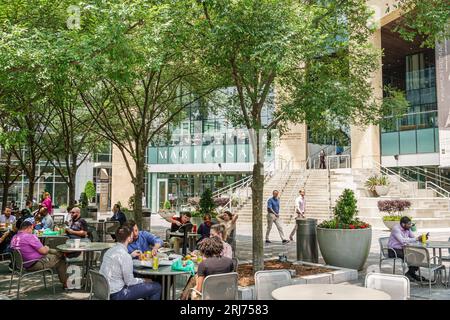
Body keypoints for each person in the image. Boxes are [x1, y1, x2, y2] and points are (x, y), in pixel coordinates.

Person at [100, 225, 161, 300]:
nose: (133, 236)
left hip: (103, 291)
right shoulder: (125, 255)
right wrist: (145, 280)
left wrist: (130, 255)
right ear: (129, 238)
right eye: (131, 235)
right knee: (156, 287)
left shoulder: (110, 251)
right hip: (117, 294)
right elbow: (129, 282)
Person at [10, 220, 69, 287]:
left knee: (54, 253)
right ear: (29, 227)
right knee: (60, 259)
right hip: (35, 264)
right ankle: (66, 283)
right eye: (32, 229)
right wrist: (46, 247)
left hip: (22, 264)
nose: (32, 231)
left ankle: (60, 253)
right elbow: (44, 251)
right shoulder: (29, 236)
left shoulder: (14, 237)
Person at [387, 216, 428, 282]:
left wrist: (420, 239)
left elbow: (413, 238)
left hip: (403, 249)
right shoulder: (396, 229)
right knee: (413, 256)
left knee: (420, 255)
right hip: (393, 251)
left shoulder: (407, 229)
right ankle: (411, 274)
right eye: (409, 224)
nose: (410, 225)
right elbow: (402, 240)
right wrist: (416, 239)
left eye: (410, 224)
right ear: (403, 224)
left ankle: (410, 273)